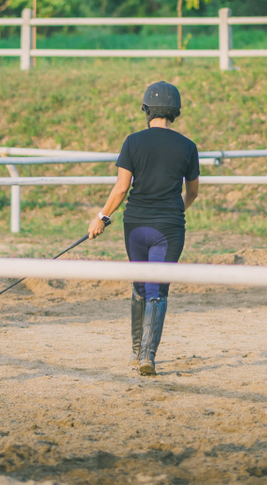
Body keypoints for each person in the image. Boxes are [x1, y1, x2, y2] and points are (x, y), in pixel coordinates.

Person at [87, 81, 200, 376]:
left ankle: (137, 351)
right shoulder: (188, 146)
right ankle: (147, 356)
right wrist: (176, 211)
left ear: (146, 109)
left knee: (139, 285)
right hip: (169, 228)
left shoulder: (133, 142)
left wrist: (101, 217)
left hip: (135, 225)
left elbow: (121, 188)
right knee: (157, 290)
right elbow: (193, 192)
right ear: (175, 111)